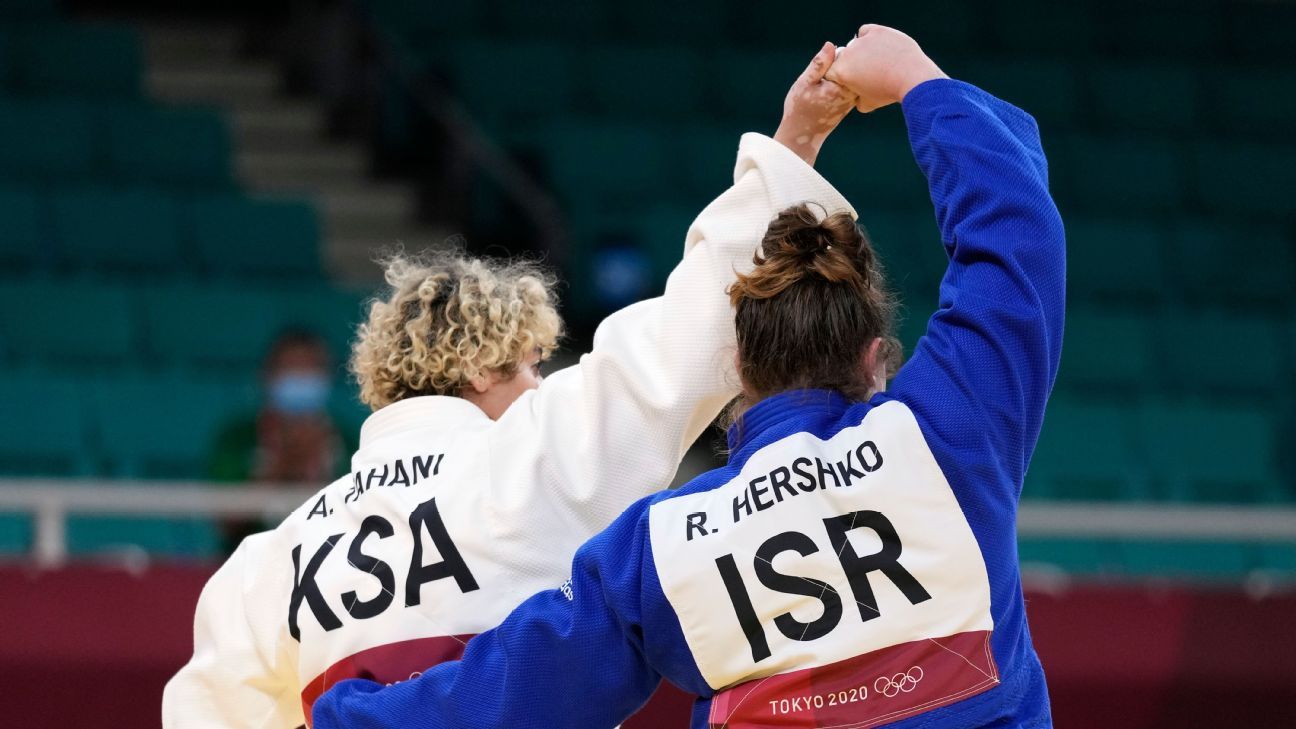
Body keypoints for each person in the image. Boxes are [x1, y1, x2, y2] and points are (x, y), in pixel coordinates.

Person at [311, 24, 1065, 729]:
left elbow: (520, 682)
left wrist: (352, 713)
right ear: (875, 359)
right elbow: (1016, 240)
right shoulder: (946, 432)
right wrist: (917, 79)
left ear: (736, 364)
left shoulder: (662, 542)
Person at [162, 43, 859, 728]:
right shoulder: (532, 459)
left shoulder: (265, 565)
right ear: (477, 366)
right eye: (529, 364)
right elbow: (691, 323)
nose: (538, 385)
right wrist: (793, 144)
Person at [209, 329, 356, 554]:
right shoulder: (237, 439)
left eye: (310, 370)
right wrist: (279, 468)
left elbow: (359, 520)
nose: (301, 379)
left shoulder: (349, 442)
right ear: (267, 376)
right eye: (291, 369)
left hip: (327, 571)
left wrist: (314, 472)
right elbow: (225, 521)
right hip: (248, 569)